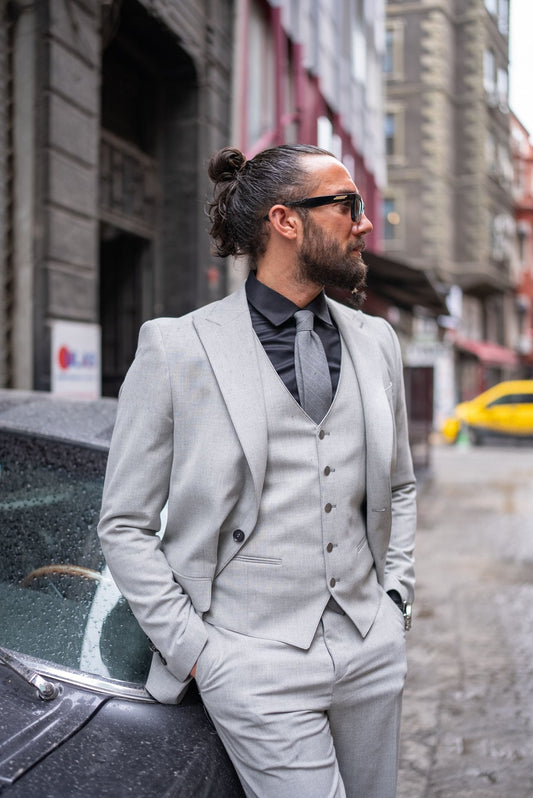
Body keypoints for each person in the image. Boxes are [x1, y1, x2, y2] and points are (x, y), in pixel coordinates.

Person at [97, 143, 416, 798]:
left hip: (369, 648)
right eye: (347, 204)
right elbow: (124, 525)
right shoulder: (178, 347)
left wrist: (395, 601)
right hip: (249, 659)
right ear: (285, 220)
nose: (363, 223)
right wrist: (199, 653)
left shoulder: (376, 341)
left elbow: (400, 485)